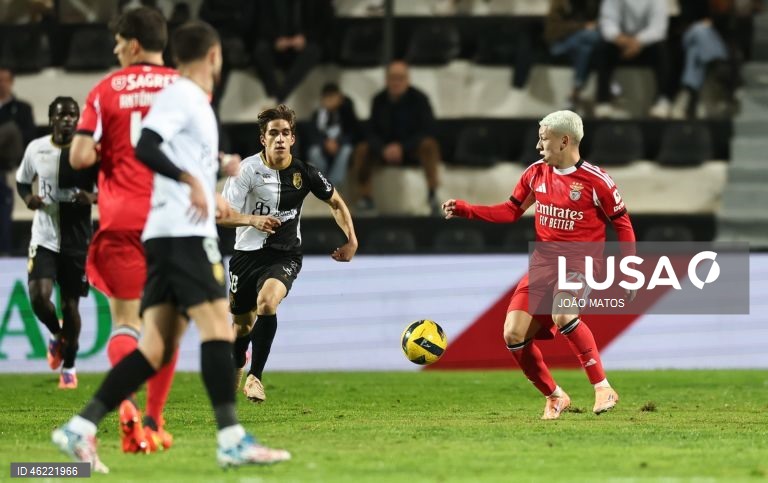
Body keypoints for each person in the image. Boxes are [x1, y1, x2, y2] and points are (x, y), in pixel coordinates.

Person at [52, 21, 291, 473]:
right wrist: (188, 182)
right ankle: (231, 439)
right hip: (182, 232)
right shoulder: (184, 94)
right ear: (214, 56)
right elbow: (146, 145)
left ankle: (79, 429)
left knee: (155, 349)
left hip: (166, 231)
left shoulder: (187, 101)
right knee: (220, 327)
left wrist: (213, 169)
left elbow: (174, 151)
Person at [442, 110, 636, 420]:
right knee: (512, 334)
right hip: (543, 265)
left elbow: (622, 224)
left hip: (581, 263)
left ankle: (603, 387)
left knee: (563, 311)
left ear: (563, 141)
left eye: (543, 139)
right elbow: (510, 211)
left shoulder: (596, 181)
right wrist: (467, 210)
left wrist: (629, 273)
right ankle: (555, 396)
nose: (537, 145)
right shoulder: (535, 173)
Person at [69, 6, 178, 453]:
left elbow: (78, 157)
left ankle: (126, 406)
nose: (115, 52)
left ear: (132, 44)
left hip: (120, 222)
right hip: (170, 224)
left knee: (126, 323)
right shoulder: (182, 87)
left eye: (117, 44)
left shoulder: (104, 90)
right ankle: (153, 419)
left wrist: (103, 153)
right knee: (167, 328)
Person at [220, 104, 358, 403]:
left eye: (285, 133)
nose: (280, 139)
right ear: (263, 139)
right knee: (241, 325)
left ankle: (255, 378)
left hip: (285, 255)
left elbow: (335, 202)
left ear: (293, 139)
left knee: (267, 303)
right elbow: (222, 215)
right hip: (245, 257)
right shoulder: (246, 170)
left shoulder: (305, 173)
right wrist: (252, 220)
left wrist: (351, 239)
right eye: (273, 133)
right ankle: (237, 365)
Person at [15, 97, 97, 389]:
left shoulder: (89, 152)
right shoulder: (37, 148)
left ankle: (70, 368)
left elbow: (108, 188)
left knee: (71, 305)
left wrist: (93, 198)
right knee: (38, 297)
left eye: (72, 115)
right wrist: (28, 199)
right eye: (61, 115)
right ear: (51, 119)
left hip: (77, 242)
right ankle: (56, 333)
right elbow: (22, 181)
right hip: (45, 237)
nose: (67, 120)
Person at [351, 60, 442, 216]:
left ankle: (432, 194)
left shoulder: (420, 99)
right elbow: (371, 131)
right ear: (386, 79)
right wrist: (383, 149)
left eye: (401, 78)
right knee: (362, 149)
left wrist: (403, 147)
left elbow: (428, 129)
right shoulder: (378, 100)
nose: (396, 82)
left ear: (408, 79)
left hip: (411, 149)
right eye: (393, 77)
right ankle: (366, 198)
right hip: (384, 151)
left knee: (429, 144)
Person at [593, 0, 675, 118]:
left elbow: (659, 29)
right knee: (603, 47)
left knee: (664, 49)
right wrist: (622, 40)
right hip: (620, 42)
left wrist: (638, 41)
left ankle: (662, 100)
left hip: (646, 44)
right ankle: (603, 100)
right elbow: (607, 22)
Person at [253, 0, 333, 103]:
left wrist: (306, 38)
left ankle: (279, 96)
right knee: (260, 50)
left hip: (306, 43)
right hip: (277, 43)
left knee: (313, 51)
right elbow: (260, 22)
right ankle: (273, 92)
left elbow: (326, 23)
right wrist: (275, 39)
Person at [0, 66, 36, 256]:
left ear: (11, 82)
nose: (1, 84)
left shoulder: (22, 108)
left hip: (8, 159)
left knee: (11, 130)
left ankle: (4, 252)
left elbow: (28, 136)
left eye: (4, 79)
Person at [544, 0, 602, 111]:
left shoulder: (591, 4)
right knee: (593, 36)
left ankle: (574, 93)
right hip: (559, 45)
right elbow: (552, 31)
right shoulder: (560, 3)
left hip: (580, 45)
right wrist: (582, 26)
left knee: (585, 49)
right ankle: (608, 84)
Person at [306, 82, 362, 187]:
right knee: (313, 152)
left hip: (340, 148)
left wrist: (338, 143)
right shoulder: (318, 114)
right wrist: (325, 143)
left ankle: (333, 184)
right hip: (324, 150)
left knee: (347, 150)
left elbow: (353, 132)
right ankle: (324, 182)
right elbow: (313, 135)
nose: (330, 101)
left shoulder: (346, 111)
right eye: (327, 97)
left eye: (333, 97)